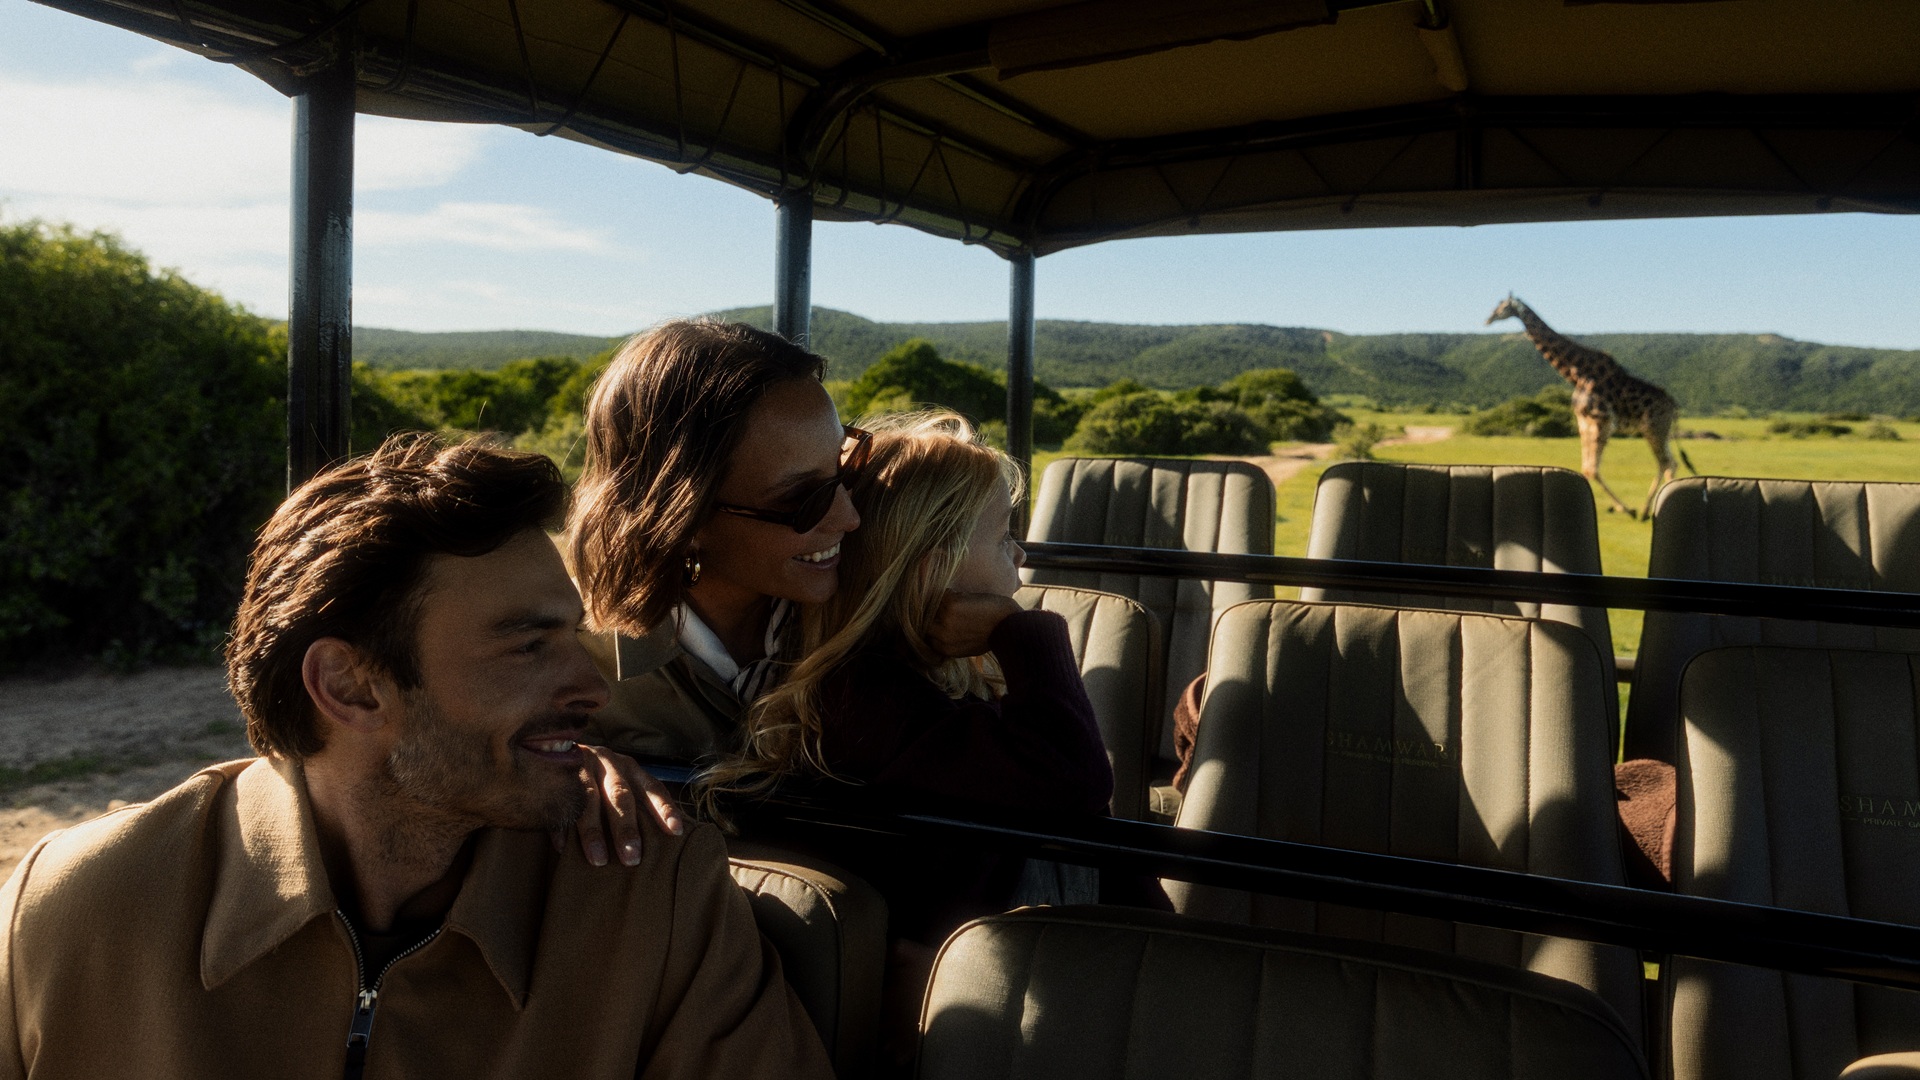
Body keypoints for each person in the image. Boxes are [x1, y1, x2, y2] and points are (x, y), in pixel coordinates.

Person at [0, 435, 832, 1080]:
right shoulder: (80, 903)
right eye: (528, 646)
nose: (592, 684)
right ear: (352, 688)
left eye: (574, 635)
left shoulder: (650, 898)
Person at [698, 411, 1122, 946]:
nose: (1020, 553)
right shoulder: (871, 704)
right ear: (930, 568)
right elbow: (1075, 780)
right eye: (1000, 538)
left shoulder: (880, 688)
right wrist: (1020, 631)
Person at [569, 319, 863, 763]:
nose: (850, 516)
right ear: (680, 519)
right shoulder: (571, 673)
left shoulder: (873, 610)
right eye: (801, 497)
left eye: (846, 465)